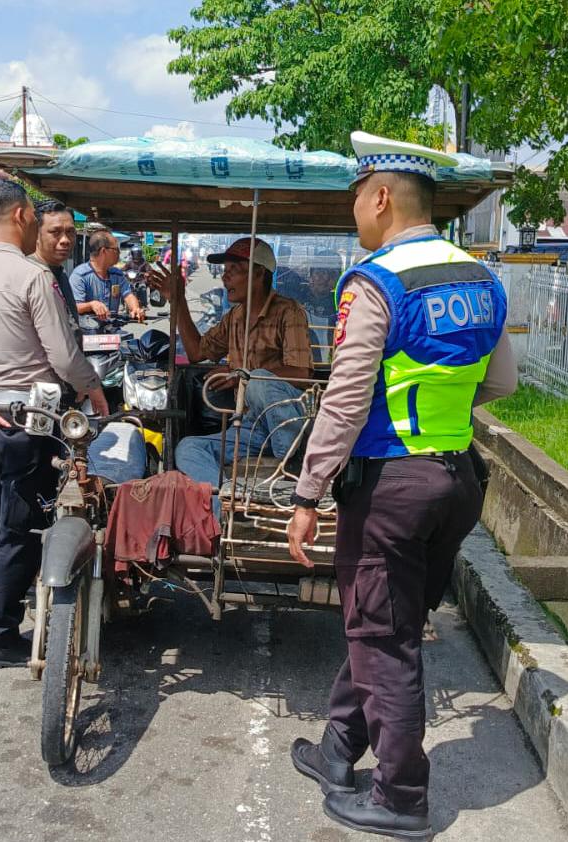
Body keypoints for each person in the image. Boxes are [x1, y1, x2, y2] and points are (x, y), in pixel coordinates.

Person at [286, 131, 518, 839]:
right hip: (457, 481)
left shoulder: (375, 281)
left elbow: (345, 400)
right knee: (386, 623)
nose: (355, 207)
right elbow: (502, 381)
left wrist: (306, 494)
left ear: (381, 197)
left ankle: (400, 795)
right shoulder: (480, 277)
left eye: (358, 194)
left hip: (391, 486)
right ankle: (338, 750)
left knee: (383, 640)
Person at [0, 180, 109, 669]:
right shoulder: (33, 278)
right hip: (30, 422)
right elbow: (62, 355)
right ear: (22, 217)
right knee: (20, 528)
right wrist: (92, 387)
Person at [148, 237, 313, 515]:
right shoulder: (235, 317)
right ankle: (227, 505)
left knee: (259, 379)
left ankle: (292, 461)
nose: (225, 277)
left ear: (259, 273)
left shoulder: (289, 311)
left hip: (287, 422)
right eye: (225, 270)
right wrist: (177, 300)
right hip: (251, 427)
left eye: (233, 269)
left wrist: (244, 375)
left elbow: (303, 374)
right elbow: (197, 353)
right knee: (188, 449)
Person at [69, 230, 144, 321]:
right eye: (116, 249)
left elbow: (128, 295)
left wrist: (135, 309)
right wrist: (91, 305)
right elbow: (74, 307)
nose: (119, 253)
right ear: (104, 251)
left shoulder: (117, 274)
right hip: (88, 332)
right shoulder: (80, 275)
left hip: (113, 331)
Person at [31, 199, 80, 331]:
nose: (65, 240)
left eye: (70, 232)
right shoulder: (32, 277)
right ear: (36, 234)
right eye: (55, 232)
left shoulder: (59, 272)